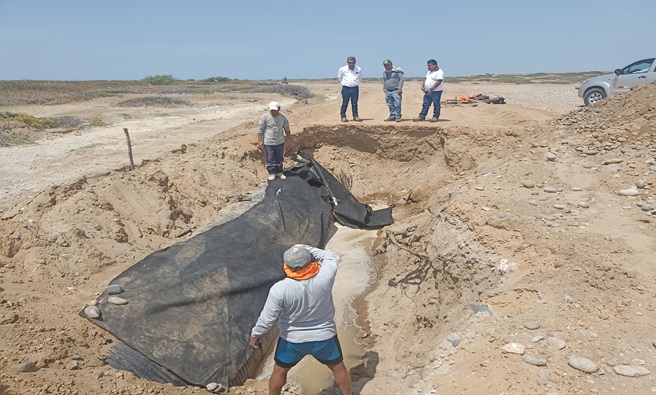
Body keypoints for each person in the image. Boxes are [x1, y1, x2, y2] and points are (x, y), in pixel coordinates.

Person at [250, 244, 352, 395]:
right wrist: (303, 247)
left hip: (292, 341)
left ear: (287, 266)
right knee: (338, 368)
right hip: (324, 338)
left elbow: (267, 318)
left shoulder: (280, 289)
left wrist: (255, 334)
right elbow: (329, 257)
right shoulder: (325, 277)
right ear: (310, 262)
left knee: (279, 371)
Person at [257, 101, 291, 181]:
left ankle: (279, 172)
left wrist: (289, 138)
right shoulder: (265, 117)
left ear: (279, 109)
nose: (273, 112)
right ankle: (271, 173)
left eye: (274, 110)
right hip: (268, 142)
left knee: (279, 158)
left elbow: (286, 128)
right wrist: (260, 141)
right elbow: (260, 130)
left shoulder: (283, 118)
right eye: (271, 110)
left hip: (279, 142)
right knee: (270, 158)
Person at [337, 56, 362, 122]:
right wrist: (344, 83)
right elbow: (339, 77)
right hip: (346, 89)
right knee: (345, 103)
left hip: (355, 88)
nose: (351, 64)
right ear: (347, 62)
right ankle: (343, 116)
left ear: (355, 62)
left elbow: (360, 78)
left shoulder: (358, 69)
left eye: (353, 63)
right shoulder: (342, 69)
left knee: (354, 103)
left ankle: (355, 116)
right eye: (350, 63)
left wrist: (355, 83)